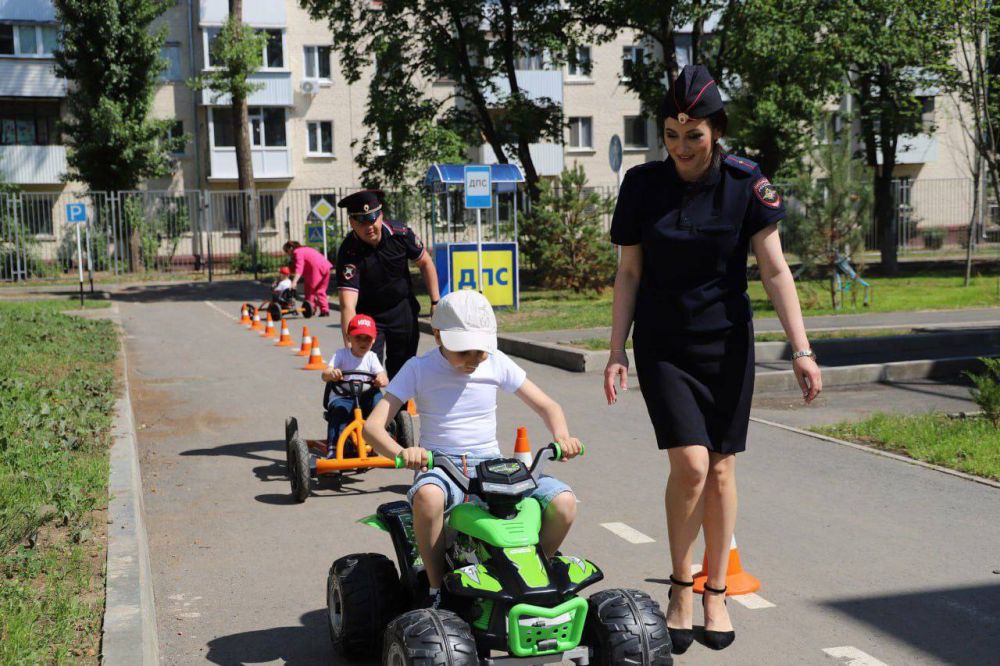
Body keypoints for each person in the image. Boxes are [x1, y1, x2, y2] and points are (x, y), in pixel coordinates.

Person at [603, 64, 822, 655]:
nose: (681, 148)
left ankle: (716, 590)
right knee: (692, 466)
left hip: (726, 344)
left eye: (694, 135)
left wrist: (800, 350)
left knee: (722, 468)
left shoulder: (746, 184)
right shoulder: (642, 186)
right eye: (672, 135)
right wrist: (616, 347)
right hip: (664, 345)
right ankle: (680, 582)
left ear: (716, 130)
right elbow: (628, 272)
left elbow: (775, 270)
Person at [363, 290, 583, 609]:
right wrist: (401, 452)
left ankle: (534, 572)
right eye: (464, 351)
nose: (474, 359)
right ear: (437, 334)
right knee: (428, 497)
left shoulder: (495, 363)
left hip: (491, 466)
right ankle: (436, 587)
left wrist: (562, 436)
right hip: (439, 464)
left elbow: (548, 405)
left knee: (563, 502)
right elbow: (372, 427)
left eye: (481, 350)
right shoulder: (418, 368)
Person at [335, 190, 441, 378]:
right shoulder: (349, 251)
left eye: (372, 219)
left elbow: (425, 262)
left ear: (381, 215)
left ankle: (399, 407)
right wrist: (350, 344)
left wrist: (435, 302)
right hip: (368, 315)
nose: (369, 227)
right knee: (366, 369)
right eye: (362, 222)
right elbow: (347, 304)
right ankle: (371, 405)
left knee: (402, 369)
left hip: (402, 310)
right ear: (352, 223)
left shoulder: (400, 234)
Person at [322, 314, 388, 457]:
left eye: (367, 338)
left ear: (374, 339)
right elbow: (325, 374)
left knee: (379, 404)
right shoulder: (341, 354)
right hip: (343, 395)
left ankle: (377, 440)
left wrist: (381, 379)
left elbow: (383, 376)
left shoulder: (371, 357)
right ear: (349, 337)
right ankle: (334, 449)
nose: (363, 342)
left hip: (365, 395)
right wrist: (332, 373)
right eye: (358, 337)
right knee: (339, 411)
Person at [283, 240, 333, 317]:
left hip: (316, 269)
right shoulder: (305, 248)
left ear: (290, 248)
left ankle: (311, 309)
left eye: (286, 251)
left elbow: (299, 267)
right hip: (326, 267)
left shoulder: (297, 252)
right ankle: (325, 310)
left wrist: (294, 282)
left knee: (309, 290)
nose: (287, 254)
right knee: (321, 291)